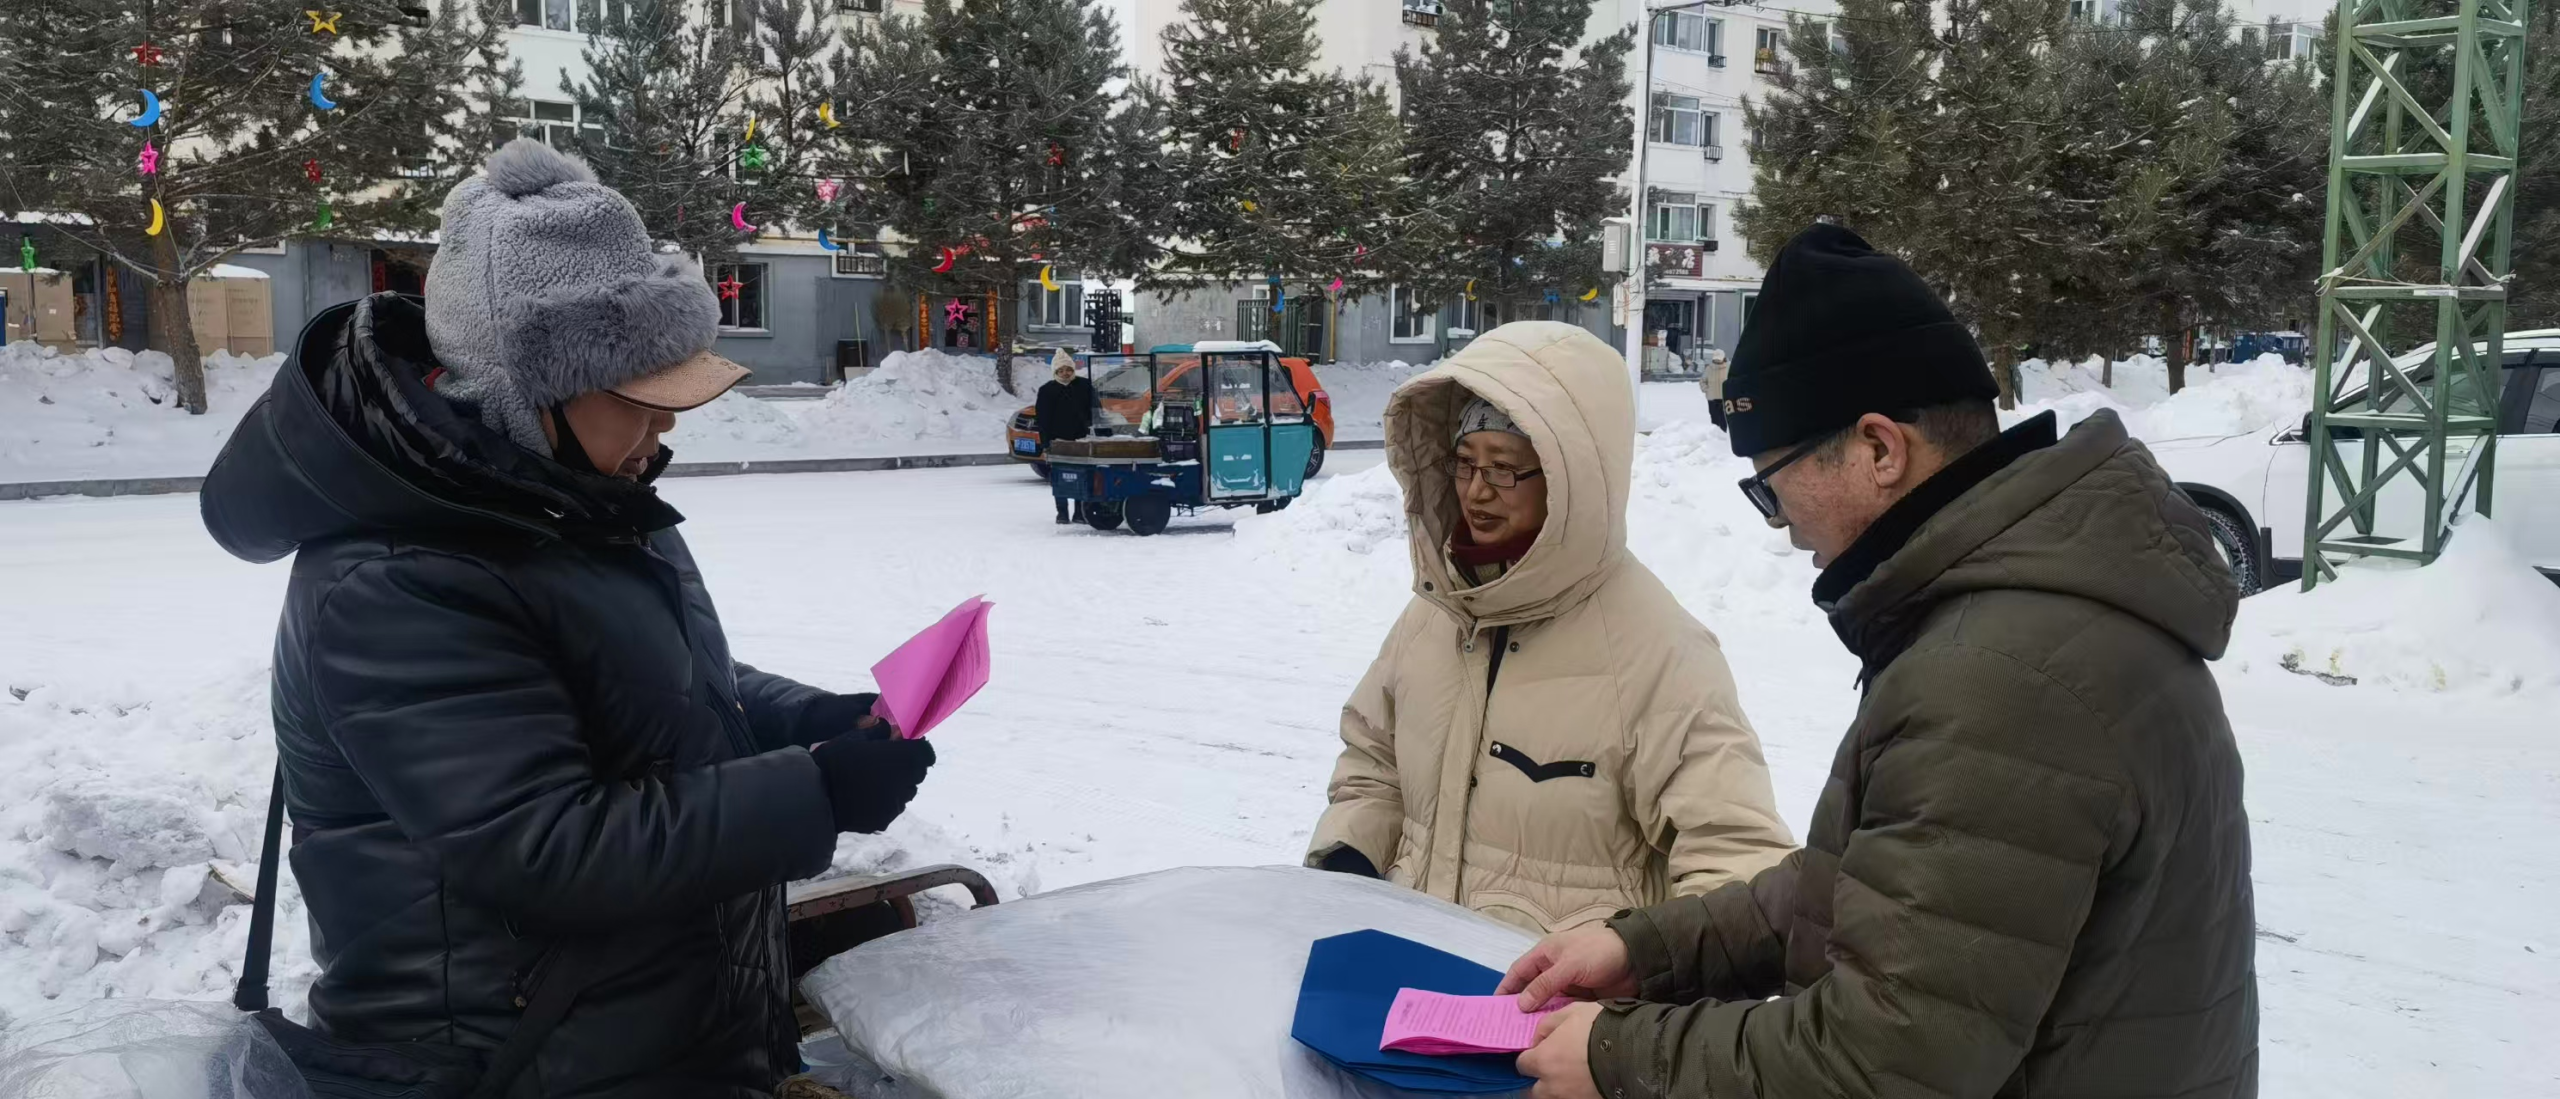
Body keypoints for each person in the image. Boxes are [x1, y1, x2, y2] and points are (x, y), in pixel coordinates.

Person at [198, 139, 937, 1097]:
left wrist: (804, 722)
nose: (665, 428)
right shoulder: (394, 579)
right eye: (640, 399)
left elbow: (643, 683)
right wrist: (815, 793)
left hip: (636, 1033)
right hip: (517, 1062)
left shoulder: (574, 497)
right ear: (526, 390)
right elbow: (545, 845)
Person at [1501, 225, 2256, 1099]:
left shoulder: (2001, 674)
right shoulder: (2030, 609)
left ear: (1879, 450)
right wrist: (1649, 948)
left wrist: (1621, 1055)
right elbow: (1877, 886)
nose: (1785, 527)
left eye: (1773, 486)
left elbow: (1884, 1060)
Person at [1306, 322, 1795, 934]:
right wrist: (1349, 861)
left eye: (1504, 468)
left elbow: (1738, 865)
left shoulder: (1660, 652)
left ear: (1571, 481)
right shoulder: (1436, 614)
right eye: (1464, 463)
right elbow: (1373, 764)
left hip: (1560, 994)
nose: (1477, 491)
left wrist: (1635, 971)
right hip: (1409, 977)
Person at [1036, 351, 1098, 523]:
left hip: (1081, 440)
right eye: (1061, 370)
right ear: (1055, 372)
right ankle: (1062, 512)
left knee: (1082, 476)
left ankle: (1079, 512)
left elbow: (1096, 410)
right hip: (1058, 442)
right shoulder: (1046, 390)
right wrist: (1046, 443)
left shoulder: (1084, 385)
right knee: (1060, 477)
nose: (1065, 373)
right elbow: (1042, 420)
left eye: (1068, 369)